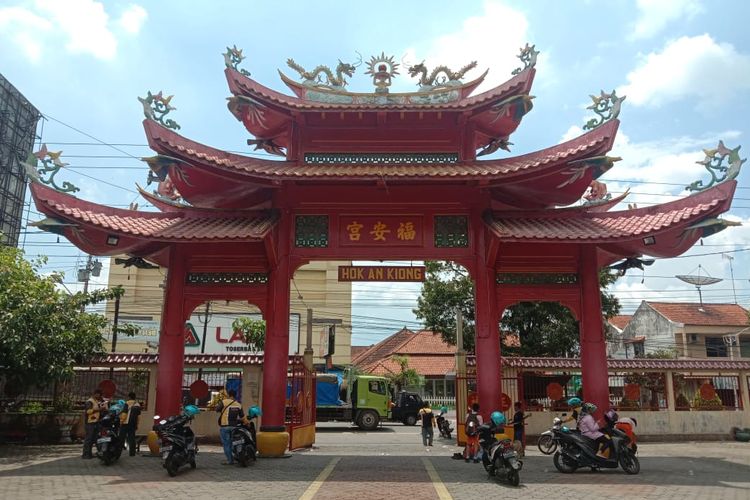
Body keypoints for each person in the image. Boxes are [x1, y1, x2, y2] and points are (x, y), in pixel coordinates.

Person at [215, 389, 244, 465]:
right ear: (235, 395)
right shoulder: (238, 404)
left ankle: (230, 460)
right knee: (233, 443)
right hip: (235, 427)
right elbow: (242, 417)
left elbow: (217, 409)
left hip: (225, 427)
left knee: (226, 444)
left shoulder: (224, 402)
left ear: (228, 395)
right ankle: (235, 456)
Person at [81, 389, 107, 459]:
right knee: (89, 439)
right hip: (90, 423)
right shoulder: (89, 401)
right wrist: (99, 409)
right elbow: (88, 411)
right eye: (99, 395)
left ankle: (92, 453)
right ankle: (86, 454)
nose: (100, 396)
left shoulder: (97, 401)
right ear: (96, 394)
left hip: (96, 422)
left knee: (96, 438)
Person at [119, 392, 142, 456]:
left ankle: (119, 451)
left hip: (125, 423)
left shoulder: (127, 403)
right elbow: (138, 416)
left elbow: (124, 414)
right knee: (132, 438)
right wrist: (137, 424)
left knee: (121, 438)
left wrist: (121, 421)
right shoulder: (137, 404)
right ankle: (132, 453)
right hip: (133, 424)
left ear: (129, 397)